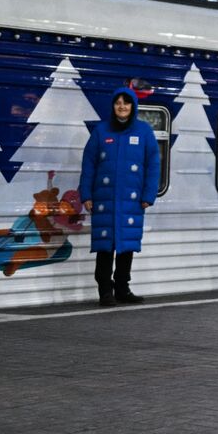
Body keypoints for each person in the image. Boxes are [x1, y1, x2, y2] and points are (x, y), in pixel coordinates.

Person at [80, 89, 161, 306]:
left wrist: (148, 194)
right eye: (118, 103)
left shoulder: (144, 132)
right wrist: (86, 194)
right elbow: (89, 163)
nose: (122, 106)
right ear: (113, 106)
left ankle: (122, 289)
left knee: (126, 246)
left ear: (133, 106)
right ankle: (105, 291)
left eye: (126, 103)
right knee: (105, 247)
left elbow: (153, 165)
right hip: (104, 199)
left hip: (132, 200)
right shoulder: (100, 131)